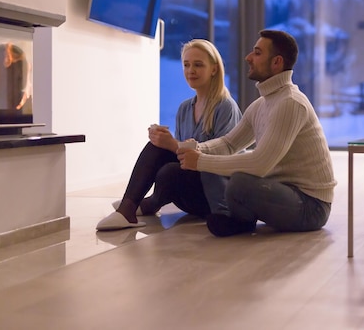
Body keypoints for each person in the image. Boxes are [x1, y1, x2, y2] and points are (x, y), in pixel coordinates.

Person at [177, 29, 336, 237]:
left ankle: (240, 222)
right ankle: (240, 222)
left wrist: (200, 161)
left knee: (240, 183)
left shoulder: (290, 103)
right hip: (283, 192)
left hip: (311, 206)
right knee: (230, 173)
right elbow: (228, 144)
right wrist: (197, 148)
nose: (248, 58)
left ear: (276, 62)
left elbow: (260, 164)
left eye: (257, 53)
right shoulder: (262, 104)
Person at [96, 39, 242, 230]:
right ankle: (128, 208)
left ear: (214, 69)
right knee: (156, 149)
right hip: (189, 191)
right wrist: (163, 141)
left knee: (170, 172)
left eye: (198, 65)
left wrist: (173, 145)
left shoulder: (225, 107)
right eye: (187, 65)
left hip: (214, 193)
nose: (191, 71)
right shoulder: (184, 108)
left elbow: (221, 159)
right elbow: (181, 156)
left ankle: (148, 204)